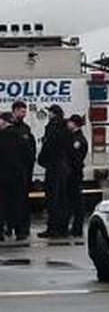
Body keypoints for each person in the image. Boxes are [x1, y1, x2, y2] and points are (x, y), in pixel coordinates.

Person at [37, 104, 69, 239]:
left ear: (53, 113)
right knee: (62, 198)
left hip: (54, 166)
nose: (48, 114)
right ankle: (63, 228)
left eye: (50, 112)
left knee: (52, 199)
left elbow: (49, 146)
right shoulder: (65, 127)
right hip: (64, 166)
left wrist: (41, 160)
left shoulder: (52, 127)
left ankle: (53, 229)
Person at [8, 101, 36, 240]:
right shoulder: (8, 128)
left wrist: (29, 165)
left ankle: (23, 228)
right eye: (21, 111)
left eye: (25, 112)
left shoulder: (25, 129)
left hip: (23, 172)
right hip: (8, 172)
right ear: (14, 111)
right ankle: (9, 226)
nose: (24, 114)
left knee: (23, 201)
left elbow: (30, 149)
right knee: (9, 201)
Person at [64, 115, 88, 237]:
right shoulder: (73, 137)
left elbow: (75, 158)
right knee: (71, 200)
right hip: (72, 172)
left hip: (74, 173)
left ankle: (77, 228)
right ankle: (73, 227)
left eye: (69, 122)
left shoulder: (78, 140)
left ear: (74, 124)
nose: (68, 124)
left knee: (77, 202)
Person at [0, 112, 15, 240]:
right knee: (12, 203)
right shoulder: (19, 134)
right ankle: (11, 228)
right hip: (15, 174)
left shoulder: (3, 136)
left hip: (3, 174)